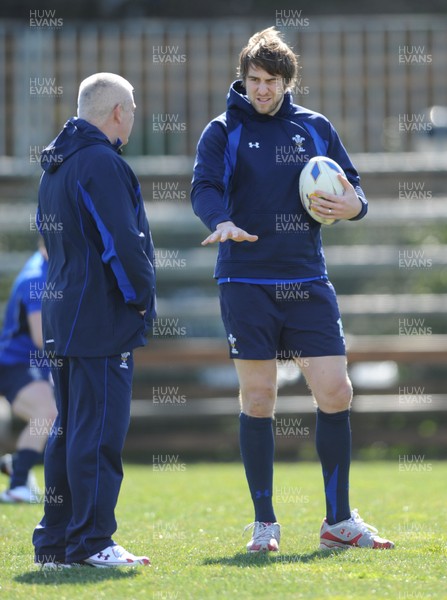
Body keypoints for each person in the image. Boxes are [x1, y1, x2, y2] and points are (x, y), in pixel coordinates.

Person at [191, 27, 394, 553]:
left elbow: (353, 186)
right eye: (253, 80)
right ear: (243, 80)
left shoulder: (315, 128)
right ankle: (265, 524)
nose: (261, 90)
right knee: (259, 398)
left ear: (287, 82)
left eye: (271, 81)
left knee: (336, 391)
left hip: (307, 278)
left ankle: (338, 522)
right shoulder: (222, 130)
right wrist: (221, 220)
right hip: (245, 280)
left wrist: (355, 206)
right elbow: (204, 187)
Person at [32, 72, 156, 568]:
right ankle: (92, 542)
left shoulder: (55, 164)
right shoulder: (101, 163)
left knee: (69, 431)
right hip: (99, 318)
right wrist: (142, 297)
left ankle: (56, 543)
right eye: (133, 107)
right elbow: (121, 244)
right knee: (98, 432)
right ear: (119, 113)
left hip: (62, 314)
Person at [0, 240, 57, 503]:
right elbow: (40, 337)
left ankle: (16, 464)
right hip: (17, 364)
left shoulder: (52, 267)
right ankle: (17, 485)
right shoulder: (36, 277)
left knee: (52, 418)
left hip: (34, 364)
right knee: (45, 413)